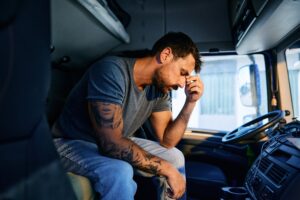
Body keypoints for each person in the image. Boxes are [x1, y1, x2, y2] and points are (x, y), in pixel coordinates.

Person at [52, 32, 204, 200]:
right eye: (182, 73)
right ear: (165, 55)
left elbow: (167, 140)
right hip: (69, 142)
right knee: (120, 171)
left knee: (175, 156)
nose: (182, 84)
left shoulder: (160, 90)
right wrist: (166, 169)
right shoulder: (111, 70)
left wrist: (190, 102)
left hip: (115, 139)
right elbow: (111, 144)